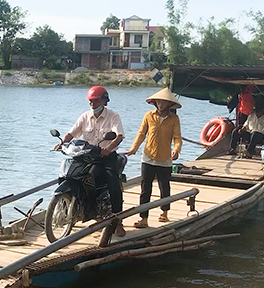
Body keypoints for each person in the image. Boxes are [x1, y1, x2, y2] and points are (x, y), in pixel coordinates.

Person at [55, 85, 126, 236]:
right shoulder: (85, 116)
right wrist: (62, 143)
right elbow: (72, 133)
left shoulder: (113, 116)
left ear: (104, 101)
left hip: (107, 157)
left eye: (95, 100)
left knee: (113, 185)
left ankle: (118, 220)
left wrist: (108, 148)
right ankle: (82, 208)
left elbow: (119, 136)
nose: (91, 103)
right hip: (87, 155)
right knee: (73, 174)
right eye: (90, 101)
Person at [126, 88, 182, 228]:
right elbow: (141, 134)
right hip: (148, 156)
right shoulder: (149, 116)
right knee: (146, 188)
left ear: (169, 104)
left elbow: (177, 138)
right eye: (158, 101)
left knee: (164, 187)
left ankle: (164, 212)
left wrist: (176, 150)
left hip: (165, 158)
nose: (160, 104)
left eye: (163, 102)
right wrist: (133, 149)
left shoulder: (174, 119)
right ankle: (143, 218)